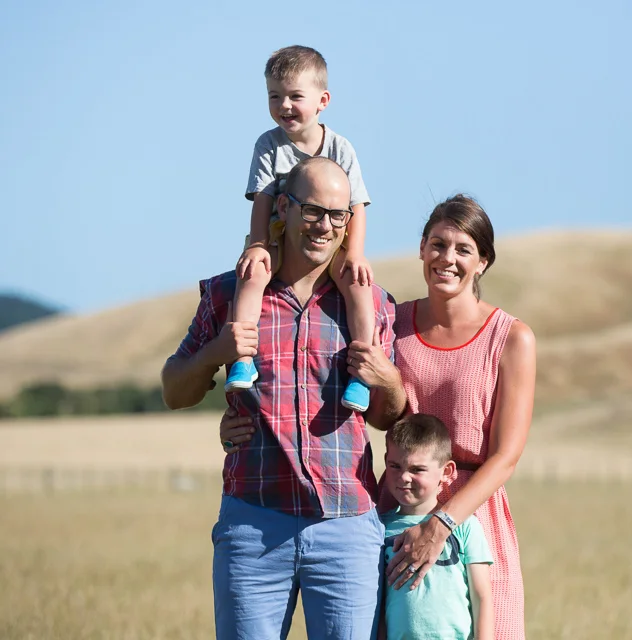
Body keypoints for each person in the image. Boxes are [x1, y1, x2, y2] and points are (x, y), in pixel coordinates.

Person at [222, 194, 537, 639]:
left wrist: (441, 524)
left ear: (483, 262)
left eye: (463, 249)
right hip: (395, 514)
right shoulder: (392, 319)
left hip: (473, 522)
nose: (447, 259)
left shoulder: (512, 338)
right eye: (437, 244)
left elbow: (506, 456)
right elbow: (325, 390)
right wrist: (237, 421)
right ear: (422, 248)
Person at [163, 157, 407, 640]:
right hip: (254, 525)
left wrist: (392, 381)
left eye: (338, 215)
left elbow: (388, 417)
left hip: (347, 527)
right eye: (313, 210)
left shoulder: (371, 302)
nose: (325, 225)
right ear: (283, 208)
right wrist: (218, 350)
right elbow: (174, 390)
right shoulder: (228, 294)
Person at [228, 45, 377, 414]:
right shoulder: (268, 144)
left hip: (332, 236)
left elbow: (357, 205)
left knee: (358, 285)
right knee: (253, 273)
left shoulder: (341, 148)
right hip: (280, 233)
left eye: (296, 96)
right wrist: (259, 244)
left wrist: (355, 253)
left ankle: (362, 371)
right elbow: (262, 198)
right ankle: (243, 357)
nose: (285, 106)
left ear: (322, 100)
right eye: (274, 96)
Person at [379, 413, 494, 640]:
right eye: (395, 465)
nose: (403, 477)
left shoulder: (466, 526)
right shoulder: (379, 528)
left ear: (447, 472)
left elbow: (482, 597)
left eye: (417, 469)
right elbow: (377, 603)